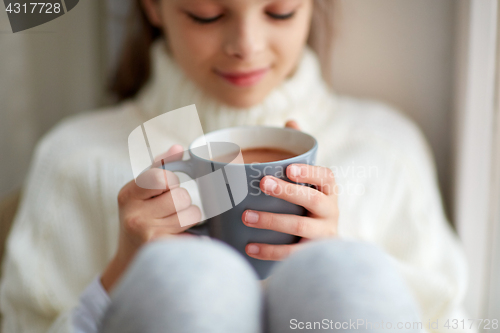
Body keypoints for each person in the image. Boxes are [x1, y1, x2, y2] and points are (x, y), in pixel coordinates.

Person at [0, 0, 473, 332]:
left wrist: (339, 263)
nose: (246, 45)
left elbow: (451, 322)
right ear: (152, 5)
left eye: (280, 11)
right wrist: (121, 276)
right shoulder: (73, 158)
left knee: (342, 275)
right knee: (186, 284)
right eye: (207, 14)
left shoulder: (385, 149)